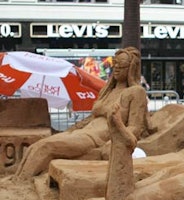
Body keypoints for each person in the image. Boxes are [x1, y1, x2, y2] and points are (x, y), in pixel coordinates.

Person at [14, 47, 151, 180]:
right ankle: (18, 179)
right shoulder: (107, 91)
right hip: (83, 132)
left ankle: (21, 182)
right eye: (114, 63)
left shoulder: (135, 92)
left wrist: (115, 142)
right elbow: (91, 118)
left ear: (131, 68)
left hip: (96, 138)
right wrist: (71, 130)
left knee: (46, 147)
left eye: (121, 65)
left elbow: (135, 127)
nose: (116, 68)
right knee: (37, 145)